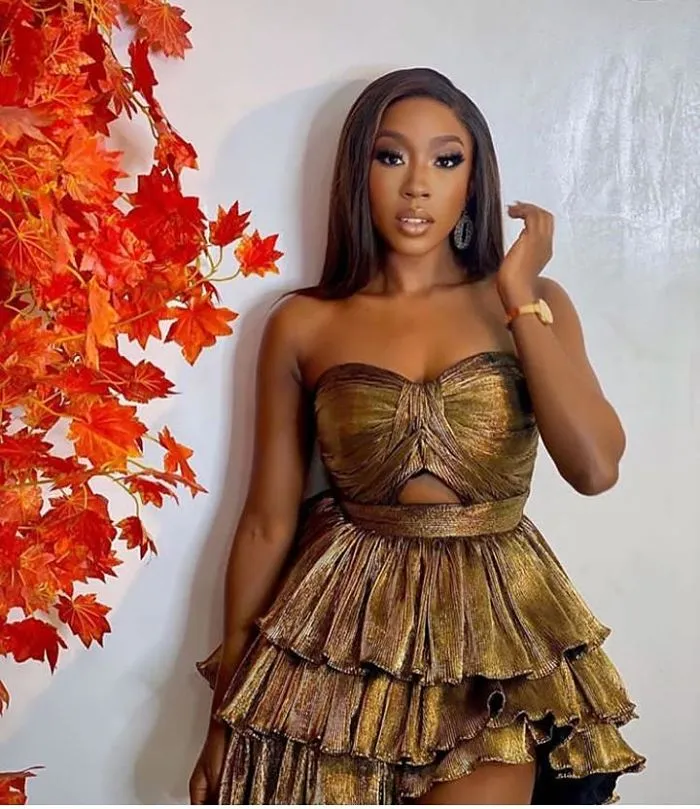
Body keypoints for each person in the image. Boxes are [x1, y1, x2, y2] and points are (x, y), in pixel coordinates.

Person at [189, 67, 645, 805]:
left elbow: (595, 467)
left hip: (491, 637)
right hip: (342, 632)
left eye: (446, 159)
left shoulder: (533, 303)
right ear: (358, 170)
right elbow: (267, 522)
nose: (418, 185)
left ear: (474, 179)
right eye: (392, 155)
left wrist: (518, 295)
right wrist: (225, 711)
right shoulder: (304, 323)